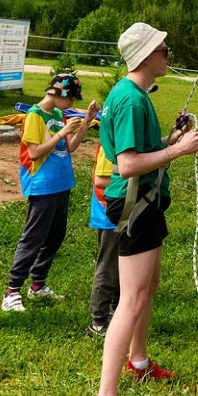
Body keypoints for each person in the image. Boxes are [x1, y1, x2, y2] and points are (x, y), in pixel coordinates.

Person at [93, 23, 198, 396]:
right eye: (163, 50)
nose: (168, 56)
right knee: (132, 299)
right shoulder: (131, 100)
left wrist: (169, 140)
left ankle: (137, 361)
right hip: (135, 206)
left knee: (147, 287)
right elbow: (127, 164)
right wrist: (179, 151)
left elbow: (142, 148)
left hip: (148, 201)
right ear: (145, 55)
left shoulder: (133, 95)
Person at [2, 73, 99, 312]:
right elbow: (34, 153)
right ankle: (12, 291)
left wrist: (86, 121)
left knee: (56, 236)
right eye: (71, 100)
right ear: (59, 93)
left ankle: (37, 285)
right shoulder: (35, 115)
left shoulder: (57, 114)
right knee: (34, 237)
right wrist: (61, 133)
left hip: (61, 181)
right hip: (42, 184)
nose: (72, 106)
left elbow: (70, 148)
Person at [88, 141, 120, 337]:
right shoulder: (110, 144)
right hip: (109, 215)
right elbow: (100, 180)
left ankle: (117, 313)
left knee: (121, 268)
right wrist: (135, 178)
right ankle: (98, 321)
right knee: (108, 267)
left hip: (122, 213)